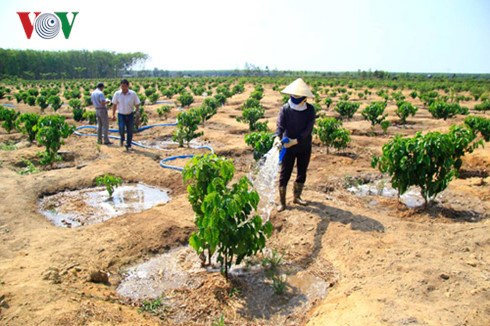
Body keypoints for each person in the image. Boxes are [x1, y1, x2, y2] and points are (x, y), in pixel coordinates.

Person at [274, 78, 316, 212]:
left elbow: (307, 131)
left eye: (298, 96)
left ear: (305, 98)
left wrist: (296, 141)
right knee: (284, 172)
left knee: (302, 171)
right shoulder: (285, 109)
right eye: (293, 96)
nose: (295, 99)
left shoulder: (310, 110)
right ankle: (282, 202)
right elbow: (280, 126)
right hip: (288, 147)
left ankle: (297, 196)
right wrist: (277, 138)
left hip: (303, 145)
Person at [112, 79, 140, 151]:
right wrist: (113, 114)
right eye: (122, 86)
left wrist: (137, 113)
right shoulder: (117, 94)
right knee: (121, 128)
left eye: (124, 86)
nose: (123, 88)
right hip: (121, 115)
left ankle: (128, 144)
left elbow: (137, 104)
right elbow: (114, 104)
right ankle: (122, 138)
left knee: (130, 130)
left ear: (128, 86)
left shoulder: (133, 94)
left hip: (130, 114)